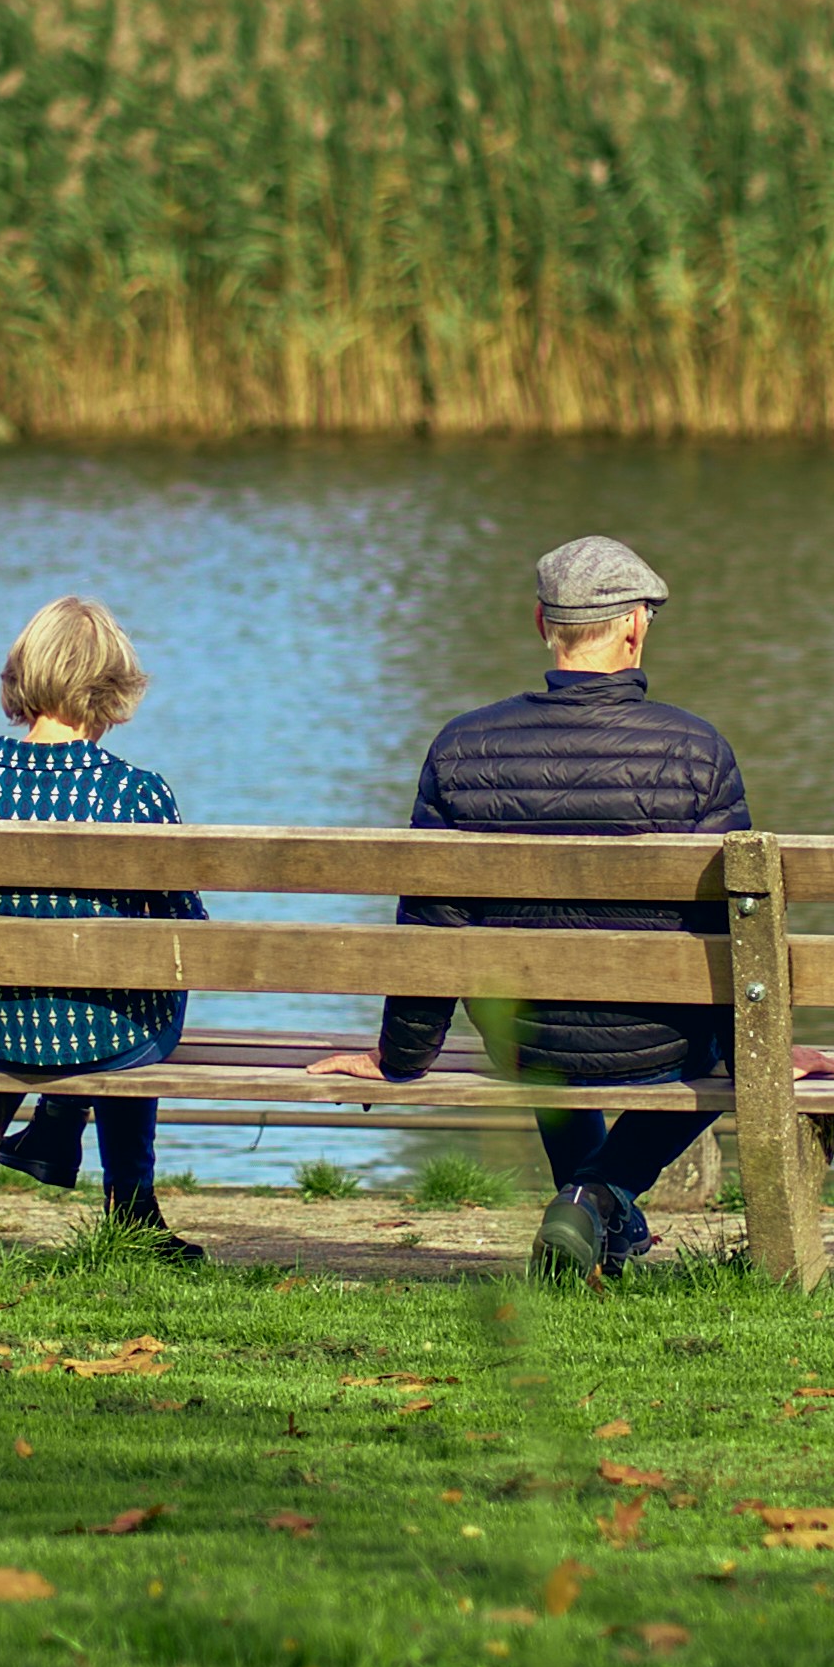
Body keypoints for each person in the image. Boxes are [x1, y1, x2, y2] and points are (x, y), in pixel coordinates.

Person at [312, 532, 769, 1281]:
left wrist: (400, 1057)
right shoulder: (697, 752)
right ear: (632, 627)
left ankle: (596, 1213)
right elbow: (727, 929)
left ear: (541, 624)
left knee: (536, 1005)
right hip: (659, 1041)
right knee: (720, 1053)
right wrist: (768, 1044)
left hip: (523, 1038)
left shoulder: (461, 747)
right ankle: (596, 1198)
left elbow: (433, 926)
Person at [0, 593, 204, 1258]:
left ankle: (54, 1125)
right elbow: (185, 930)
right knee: (151, 980)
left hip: (1, 1026)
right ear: (113, 689)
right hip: (114, 1037)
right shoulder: (137, 792)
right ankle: (132, 1209)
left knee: (123, 980)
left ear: (19, 677)